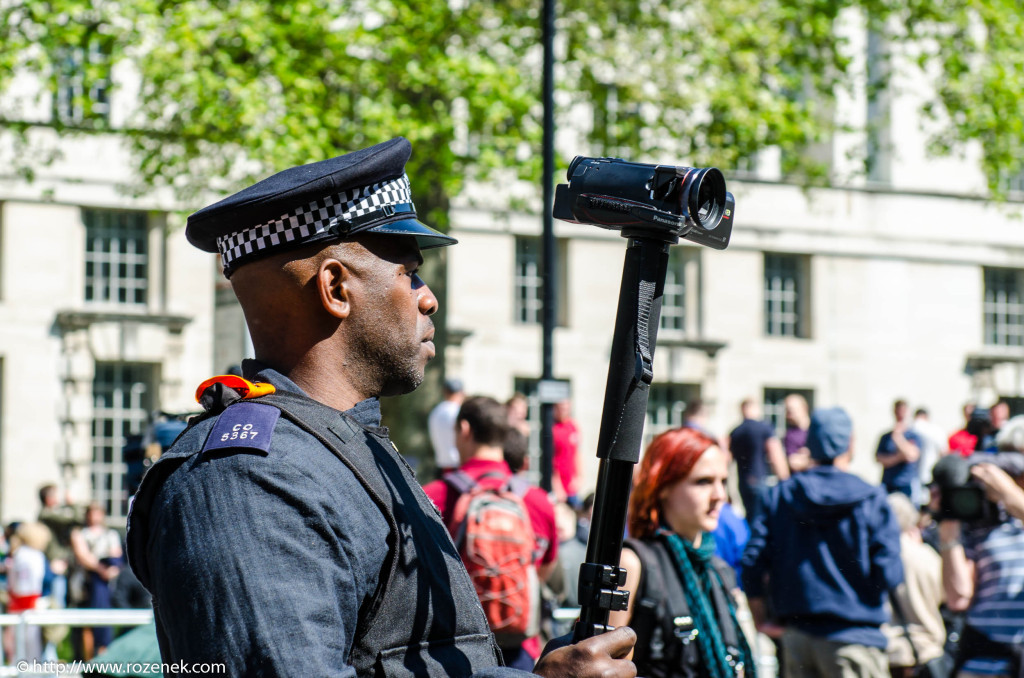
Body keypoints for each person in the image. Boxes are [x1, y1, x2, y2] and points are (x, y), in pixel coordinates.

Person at [125, 137, 635, 677]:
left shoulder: (341, 444)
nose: (428, 296)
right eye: (407, 272)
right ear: (336, 287)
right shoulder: (247, 479)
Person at [742, 407, 904, 678]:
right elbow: (890, 573)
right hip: (856, 640)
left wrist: (760, 618)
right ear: (850, 443)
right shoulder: (872, 498)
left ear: (810, 442)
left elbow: (752, 563)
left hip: (797, 638)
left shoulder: (781, 496)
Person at [423, 396, 559, 670]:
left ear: (464, 430)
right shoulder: (538, 501)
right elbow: (542, 570)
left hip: (452, 648)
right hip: (519, 647)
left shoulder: (433, 495)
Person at [608, 426, 755, 678]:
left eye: (723, 481)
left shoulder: (717, 570)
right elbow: (603, 666)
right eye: (703, 482)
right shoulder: (634, 563)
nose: (720, 495)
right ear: (662, 485)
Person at [937, 452, 1024, 677]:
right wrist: (949, 538)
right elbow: (958, 598)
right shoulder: (979, 531)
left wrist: (1012, 497)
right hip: (982, 661)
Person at [882, 493, 948, 678]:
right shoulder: (926, 555)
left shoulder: (873, 557)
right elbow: (946, 596)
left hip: (888, 652)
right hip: (925, 651)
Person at [71, 502, 123, 659]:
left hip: (105, 583)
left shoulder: (110, 534)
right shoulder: (80, 533)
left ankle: (103, 655)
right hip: (86, 583)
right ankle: (87, 658)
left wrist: (110, 571)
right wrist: (100, 569)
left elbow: (116, 555)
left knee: (104, 618)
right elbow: (83, 556)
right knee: (86, 622)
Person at [726, 398, 789, 520]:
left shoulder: (735, 431)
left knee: (750, 517)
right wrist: (785, 482)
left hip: (743, 482)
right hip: (760, 479)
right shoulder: (764, 428)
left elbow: (726, 459)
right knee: (761, 520)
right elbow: (776, 455)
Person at [876, 399, 923, 503]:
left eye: (903, 411)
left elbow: (912, 455)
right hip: (888, 484)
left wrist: (898, 438)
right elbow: (879, 458)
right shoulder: (885, 437)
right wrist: (899, 457)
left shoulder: (913, 436)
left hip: (906, 484)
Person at [429, 377, 466, 478]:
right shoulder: (458, 411)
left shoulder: (436, 411)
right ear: (461, 393)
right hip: (457, 467)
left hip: (441, 466)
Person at [552, 399, 580, 504]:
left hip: (571, 484)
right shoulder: (553, 428)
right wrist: (557, 485)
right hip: (559, 486)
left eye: (565, 407)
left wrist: (579, 477)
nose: (563, 411)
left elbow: (576, 453)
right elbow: (552, 459)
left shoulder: (573, 426)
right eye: (561, 408)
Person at [912, 407, 946, 486]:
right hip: (931, 473)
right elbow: (943, 452)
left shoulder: (912, 427)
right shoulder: (936, 430)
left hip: (913, 476)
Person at [783, 394, 811, 473]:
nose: (788, 416)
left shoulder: (817, 431)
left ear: (804, 408)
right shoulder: (790, 435)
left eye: (791, 411)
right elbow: (794, 463)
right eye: (786, 411)